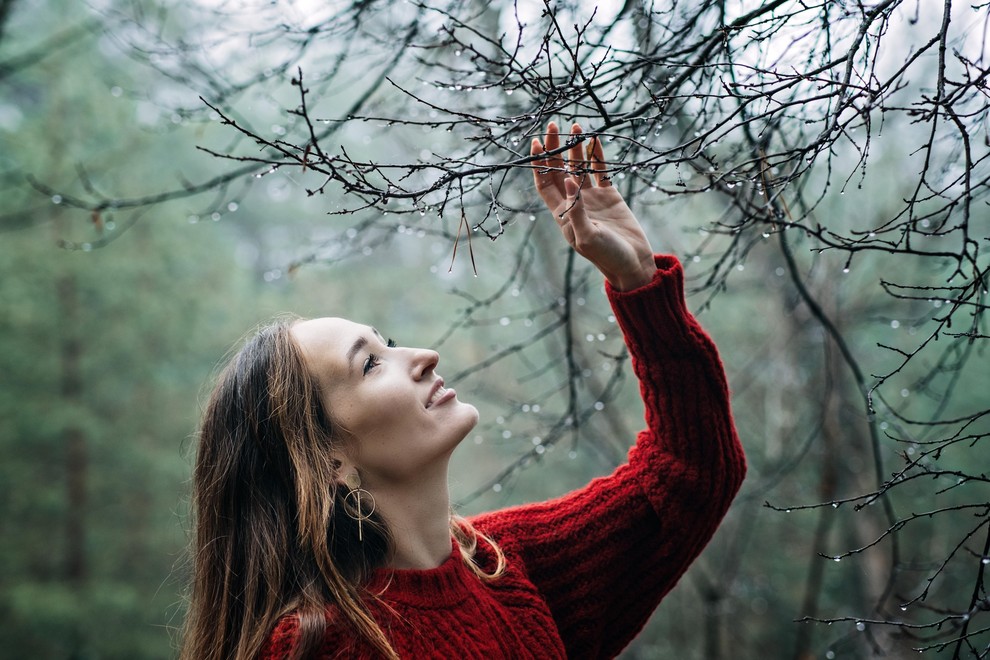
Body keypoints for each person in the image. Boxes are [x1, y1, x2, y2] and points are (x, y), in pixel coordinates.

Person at [180, 122, 747, 660]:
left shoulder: (508, 569)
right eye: (372, 364)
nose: (422, 357)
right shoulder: (316, 646)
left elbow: (688, 473)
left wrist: (639, 280)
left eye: (390, 341)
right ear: (326, 460)